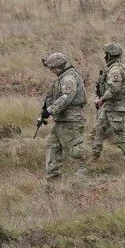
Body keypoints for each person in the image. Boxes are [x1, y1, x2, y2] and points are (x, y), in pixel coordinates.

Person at [40, 52, 88, 181]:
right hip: (61, 120)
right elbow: (54, 97)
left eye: (52, 68)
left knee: (75, 153)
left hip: (71, 121)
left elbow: (66, 97)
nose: (51, 71)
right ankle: (53, 180)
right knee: (52, 147)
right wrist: (46, 109)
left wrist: (50, 111)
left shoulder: (69, 78)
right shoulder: (62, 77)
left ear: (59, 66)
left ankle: (80, 183)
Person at [90, 42, 125, 165]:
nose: (104, 57)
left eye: (106, 54)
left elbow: (115, 88)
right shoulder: (113, 67)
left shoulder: (116, 69)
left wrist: (102, 99)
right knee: (99, 129)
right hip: (110, 106)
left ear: (110, 55)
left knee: (119, 132)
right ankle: (94, 156)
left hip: (116, 106)